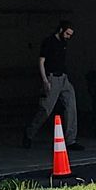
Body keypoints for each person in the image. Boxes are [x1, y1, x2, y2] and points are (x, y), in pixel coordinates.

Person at [24, 19, 79, 149]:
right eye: (67, 34)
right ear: (61, 30)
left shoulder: (64, 43)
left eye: (70, 35)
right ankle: (29, 134)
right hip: (52, 78)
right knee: (45, 110)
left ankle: (71, 140)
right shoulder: (48, 42)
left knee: (71, 107)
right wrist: (45, 80)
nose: (68, 37)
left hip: (64, 78)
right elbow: (41, 62)